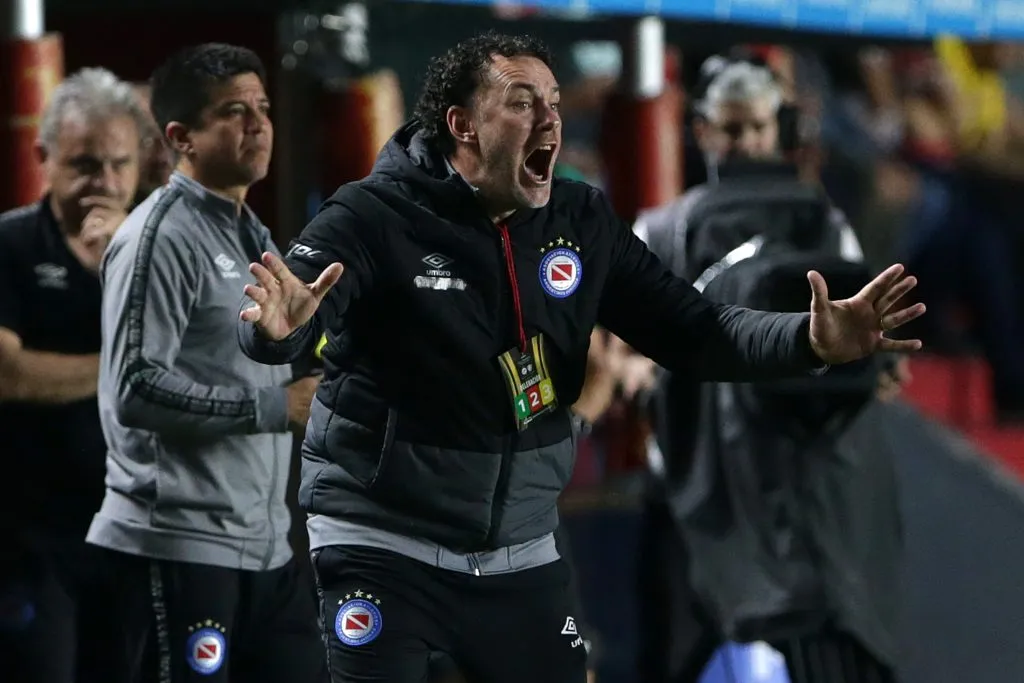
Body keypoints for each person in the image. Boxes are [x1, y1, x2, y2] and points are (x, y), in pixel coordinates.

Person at [236, 32, 924, 683]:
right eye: (522, 103)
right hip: (383, 543)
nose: (550, 122)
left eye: (556, 104)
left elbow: (699, 330)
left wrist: (807, 340)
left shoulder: (581, 221)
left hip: (520, 549)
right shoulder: (369, 216)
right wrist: (277, 333)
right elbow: (299, 309)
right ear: (463, 125)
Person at [634, 55, 909, 683]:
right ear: (702, 131)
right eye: (731, 130)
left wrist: (878, 364)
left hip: (810, 477)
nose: (746, 144)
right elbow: (638, 345)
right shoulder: (662, 231)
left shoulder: (826, 224)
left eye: (757, 128)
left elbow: (867, 333)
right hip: (697, 475)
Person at [85, 44, 324, 683]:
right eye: (233, 111)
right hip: (179, 549)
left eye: (263, 108)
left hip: (266, 550)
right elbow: (134, 390)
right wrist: (278, 406)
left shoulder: (254, 236)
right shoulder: (160, 236)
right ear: (180, 138)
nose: (258, 124)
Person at [0, 67, 144, 683]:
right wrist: (124, 368)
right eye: (86, 164)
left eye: (119, 164)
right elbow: (8, 374)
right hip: (33, 539)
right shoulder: (10, 244)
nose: (105, 183)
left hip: (139, 534)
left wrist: (124, 268)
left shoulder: (158, 251)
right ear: (44, 157)